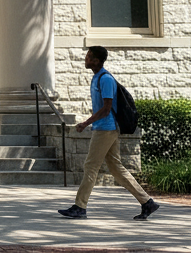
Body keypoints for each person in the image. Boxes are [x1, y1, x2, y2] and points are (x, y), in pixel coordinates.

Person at [58, 46, 159, 221]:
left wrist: (85, 123)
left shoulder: (105, 79)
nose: (86, 59)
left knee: (91, 166)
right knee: (116, 168)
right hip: (105, 128)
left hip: (105, 129)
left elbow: (106, 109)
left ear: (97, 60)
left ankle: (80, 207)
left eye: (89, 57)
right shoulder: (97, 77)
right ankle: (147, 202)